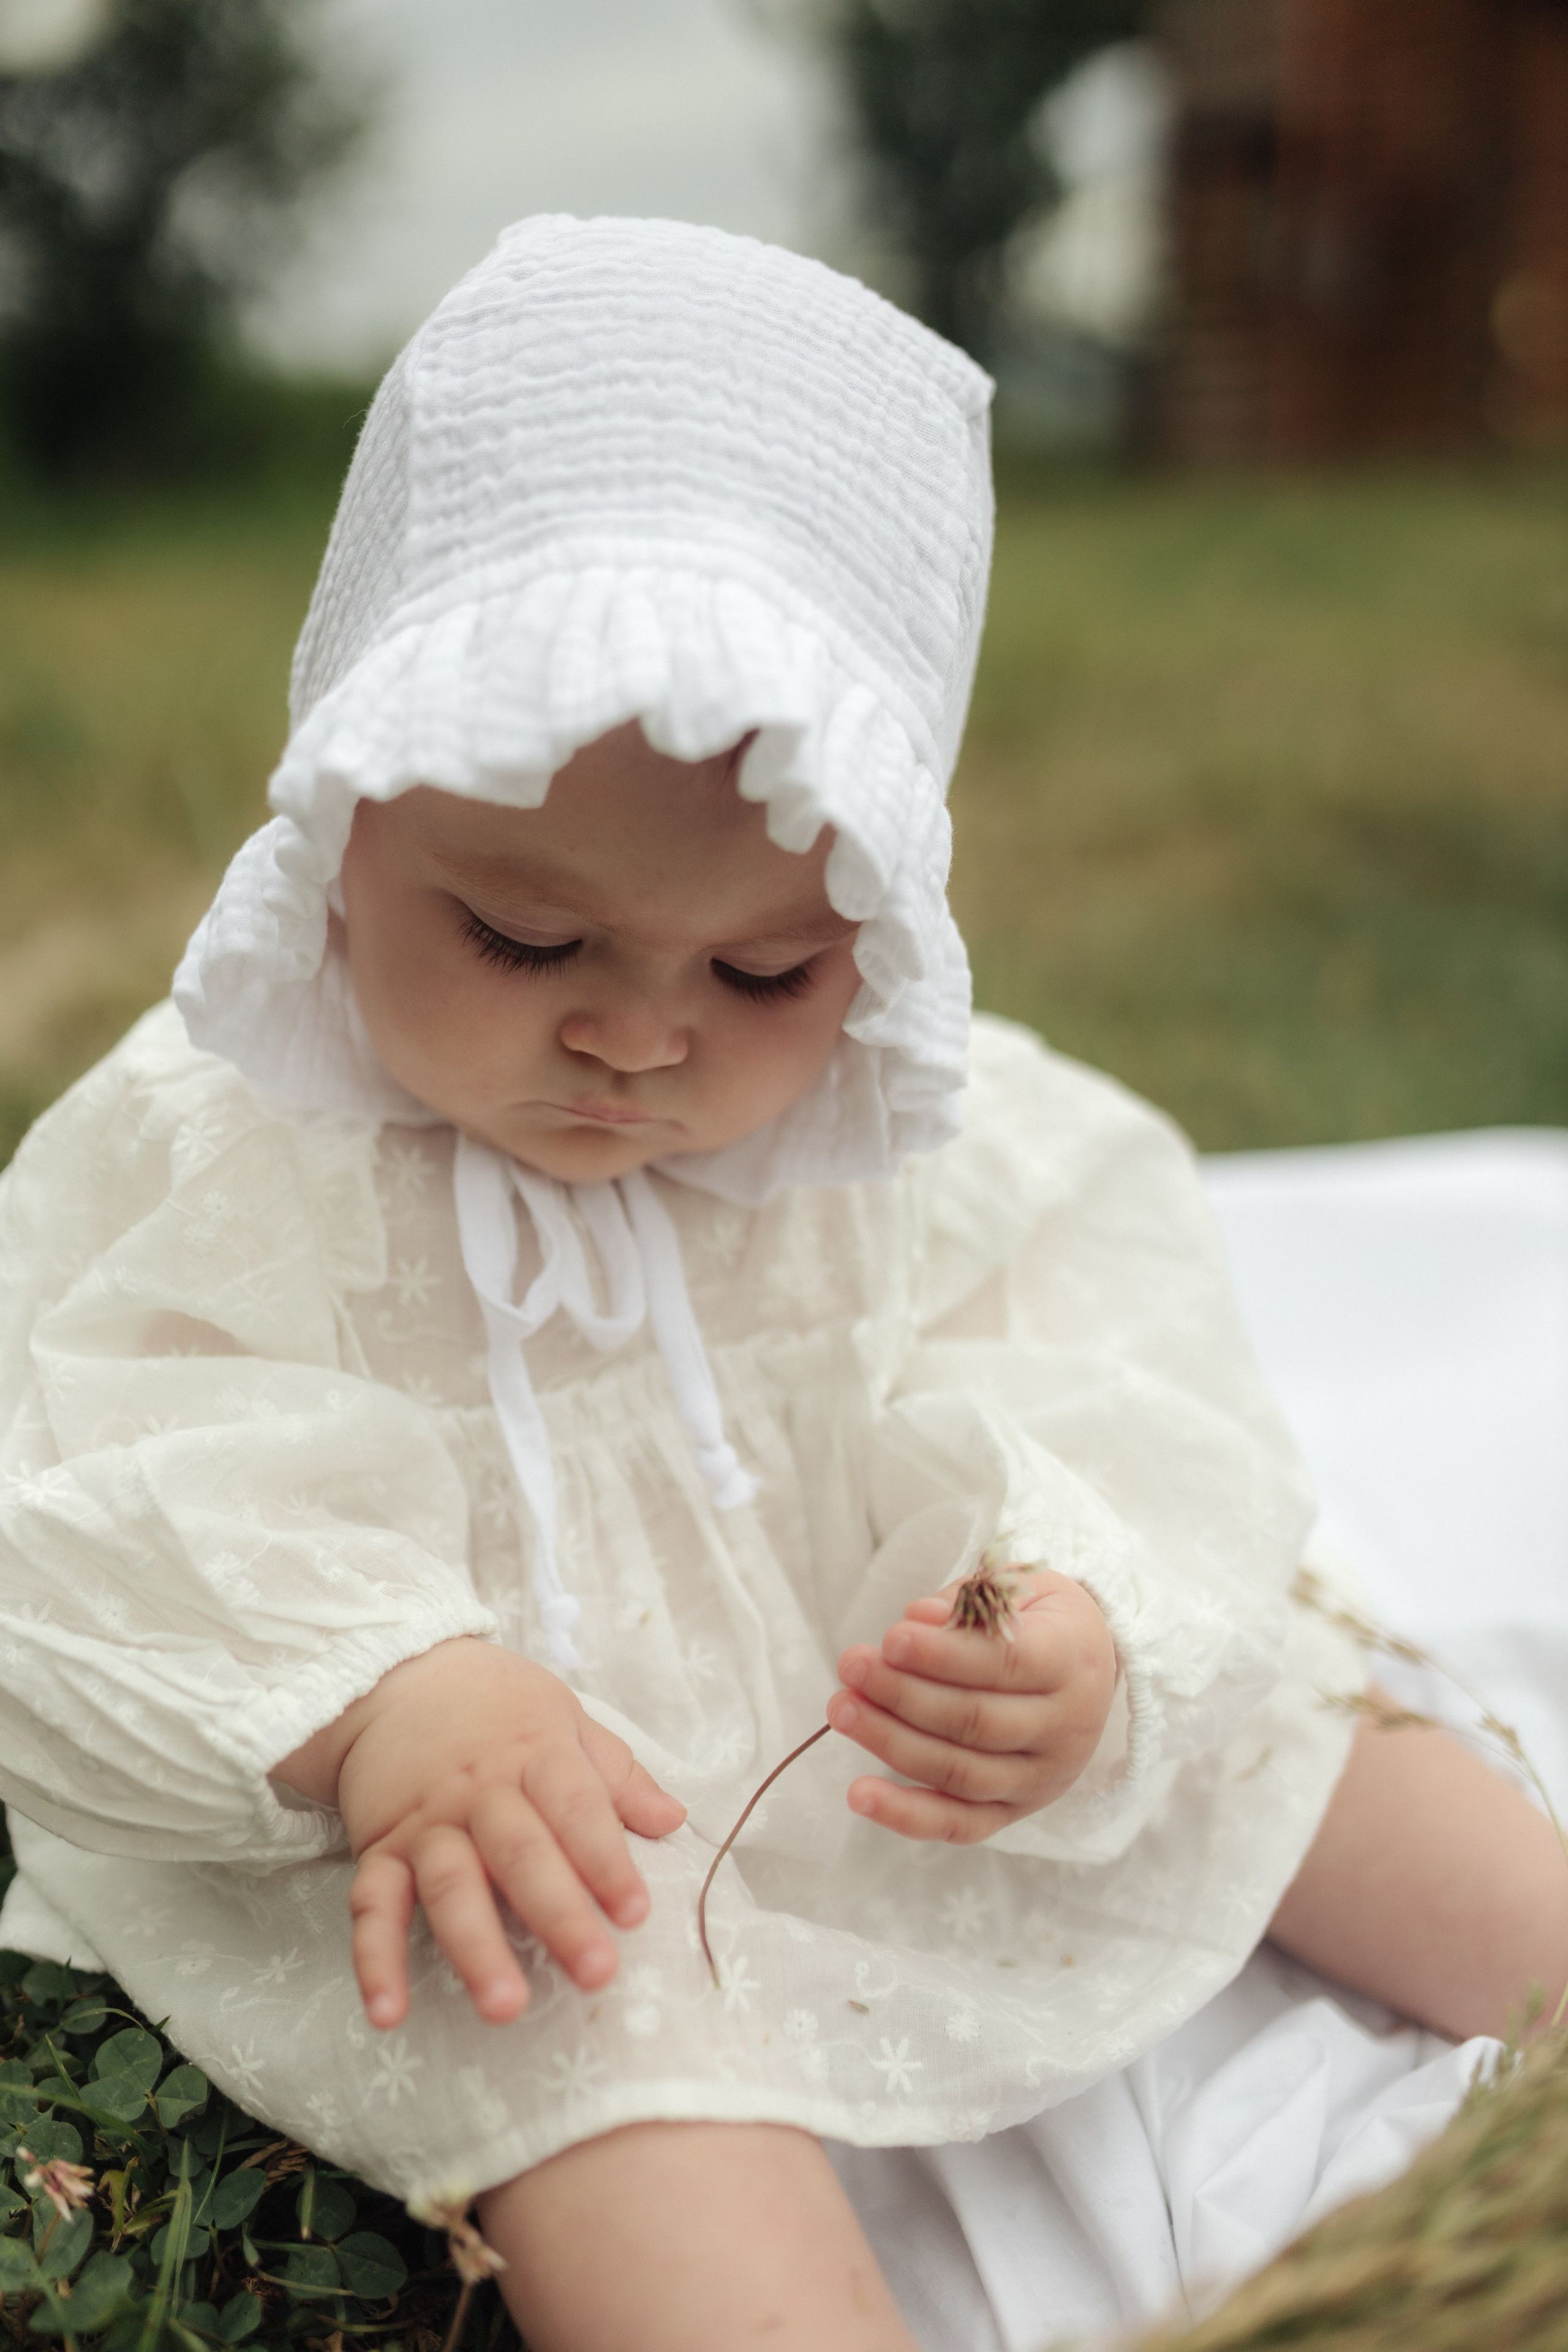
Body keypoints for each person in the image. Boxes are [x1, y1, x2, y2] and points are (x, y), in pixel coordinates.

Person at [0, 218, 1561, 2352]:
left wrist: (1075, 1611)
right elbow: (106, 1469)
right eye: (528, 944)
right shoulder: (225, 1147)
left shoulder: (922, 1138)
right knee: (598, 2076)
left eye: (763, 970)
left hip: (892, 1710)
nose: (640, 1039)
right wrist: (382, 1700)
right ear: (346, 814)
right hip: (553, 1825)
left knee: (1284, 1741)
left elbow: (1110, 1359)